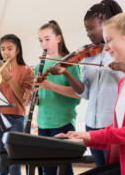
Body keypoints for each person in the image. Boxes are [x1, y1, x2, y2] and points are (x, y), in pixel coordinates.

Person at [56, 8, 125, 175]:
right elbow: (119, 130)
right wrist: (79, 138)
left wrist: (89, 137)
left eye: (109, 40)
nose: (106, 47)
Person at [49, 0, 125, 167]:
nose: (88, 33)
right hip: (92, 123)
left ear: (106, 24)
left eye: (91, 28)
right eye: (86, 30)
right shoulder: (89, 55)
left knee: (114, 169)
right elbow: (85, 92)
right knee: (100, 168)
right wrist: (67, 73)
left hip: (112, 124)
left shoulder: (121, 50)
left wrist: (121, 66)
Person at [33, 20, 81, 175]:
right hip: (43, 123)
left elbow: (77, 95)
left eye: (47, 39)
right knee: (48, 169)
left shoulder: (70, 63)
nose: (43, 44)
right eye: (40, 40)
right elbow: (42, 97)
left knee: (64, 168)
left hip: (63, 122)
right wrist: (32, 98)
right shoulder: (40, 66)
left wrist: (52, 86)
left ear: (58, 39)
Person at [0, 34, 34, 175]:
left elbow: (23, 98)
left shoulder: (27, 70)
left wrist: (8, 77)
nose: (5, 52)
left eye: (9, 48)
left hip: (15, 117)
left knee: (14, 158)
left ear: (17, 50)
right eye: (2, 49)